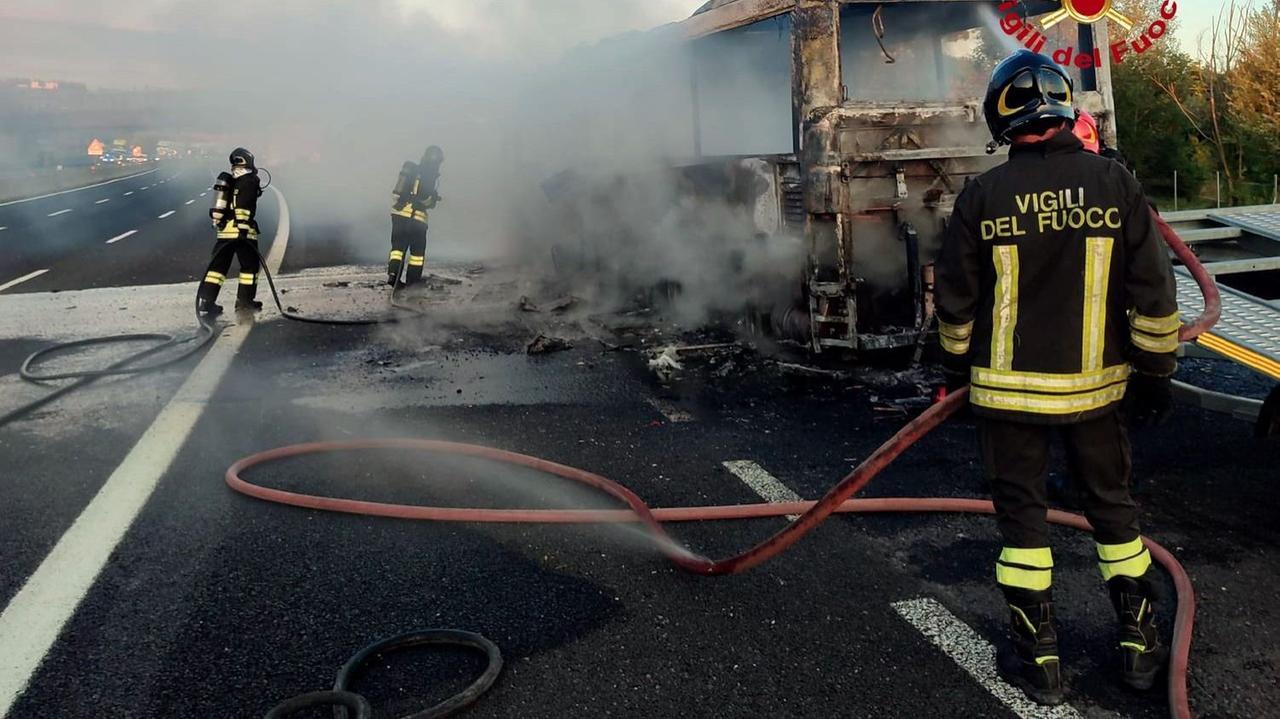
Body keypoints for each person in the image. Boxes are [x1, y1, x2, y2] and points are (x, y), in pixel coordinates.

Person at [934, 50, 1179, 705]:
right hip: (1099, 394)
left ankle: (1039, 661)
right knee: (1115, 515)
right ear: (1067, 108)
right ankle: (1138, 646)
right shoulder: (1116, 183)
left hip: (1007, 398)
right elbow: (1154, 289)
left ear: (1003, 118)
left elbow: (954, 302)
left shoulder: (982, 196)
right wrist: (1157, 371)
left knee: (1023, 527)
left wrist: (953, 370)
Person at [199, 147, 263, 315]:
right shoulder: (249, 180)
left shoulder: (231, 180)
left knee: (217, 269)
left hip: (224, 232)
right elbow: (244, 205)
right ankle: (245, 302)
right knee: (249, 268)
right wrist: (242, 228)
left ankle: (206, 302)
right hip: (242, 233)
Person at [388, 146, 443, 288]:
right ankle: (413, 281)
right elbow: (424, 197)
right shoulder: (429, 173)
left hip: (399, 215)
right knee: (417, 253)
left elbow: (400, 193)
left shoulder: (414, 171)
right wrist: (433, 200)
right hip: (416, 218)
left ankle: (393, 276)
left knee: (397, 249)